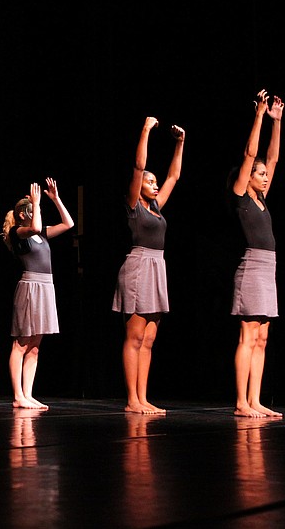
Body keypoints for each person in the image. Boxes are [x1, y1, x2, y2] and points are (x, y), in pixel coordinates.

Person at [112, 117, 185, 414]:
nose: (154, 185)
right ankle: (132, 399)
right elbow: (139, 166)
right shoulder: (134, 207)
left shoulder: (156, 208)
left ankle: (143, 398)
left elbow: (174, 177)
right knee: (136, 334)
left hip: (157, 267)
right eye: (149, 182)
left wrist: (180, 143)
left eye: (155, 183)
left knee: (150, 337)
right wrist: (145, 130)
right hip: (139, 265)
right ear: (138, 186)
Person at [229, 89, 284, 418]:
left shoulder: (262, 198)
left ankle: (255, 400)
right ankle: (241, 402)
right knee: (248, 334)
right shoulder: (242, 198)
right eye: (260, 174)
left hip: (268, 268)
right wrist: (260, 115)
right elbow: (252, 154)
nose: (265, 177)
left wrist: (278, 122)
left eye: (265, 175)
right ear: (247, 177)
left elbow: (272, 158)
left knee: (262, 337)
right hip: (251, 268)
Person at [1, 178, 74, 409]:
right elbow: (34, 227)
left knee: (35, 345)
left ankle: (28, 394)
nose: (36, 211)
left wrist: (55, 199)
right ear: (22, 214)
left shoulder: (41, 234)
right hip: (30, 286)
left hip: (46, 286)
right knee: (21, 343)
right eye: (32, 209)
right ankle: (17, 395)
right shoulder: (18, 232)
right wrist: (36, 203)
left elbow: (69, 224)